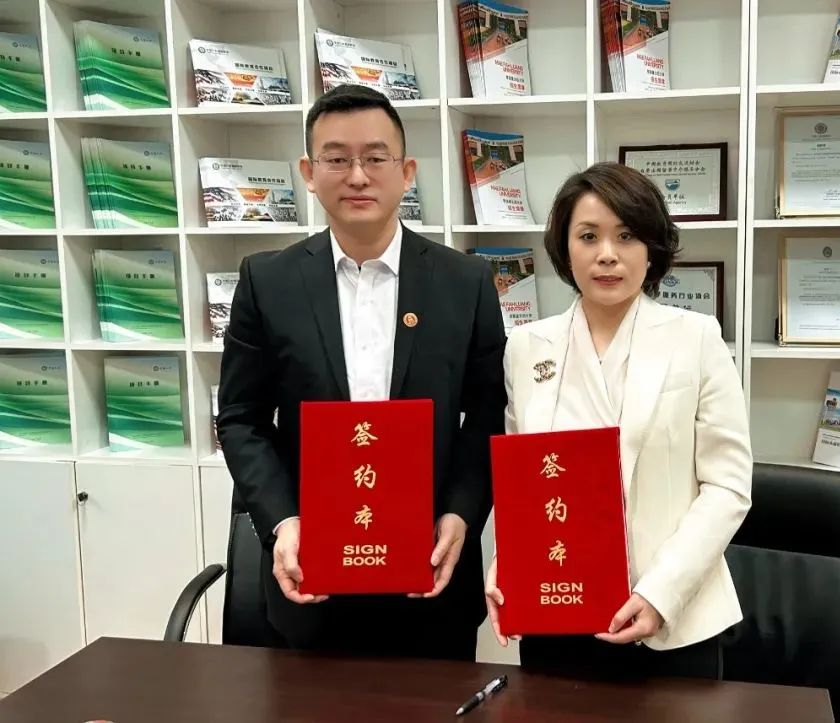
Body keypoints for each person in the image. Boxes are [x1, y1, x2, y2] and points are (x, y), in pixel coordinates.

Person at [216, 84, 507, 660]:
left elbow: (489, 415)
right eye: (336, 159)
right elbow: (241, 417)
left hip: (431, 578)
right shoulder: (267, 281)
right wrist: (283, 522)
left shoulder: (465, 282)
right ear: (308, 171)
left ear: (406, 172)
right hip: (312, 578)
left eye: (375, 158)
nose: (357, 176)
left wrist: (461, 515)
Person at [484, 162, 753, 679]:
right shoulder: (527, 347)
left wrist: (661, 593)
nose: (607, 254)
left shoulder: (696, 338)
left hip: (671, 624)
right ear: (565, 249)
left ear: (651, 248)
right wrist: (509, 565)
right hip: (557, 613)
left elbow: (728, 487)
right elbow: (525, 487)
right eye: (588, 236)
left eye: (626, 236)